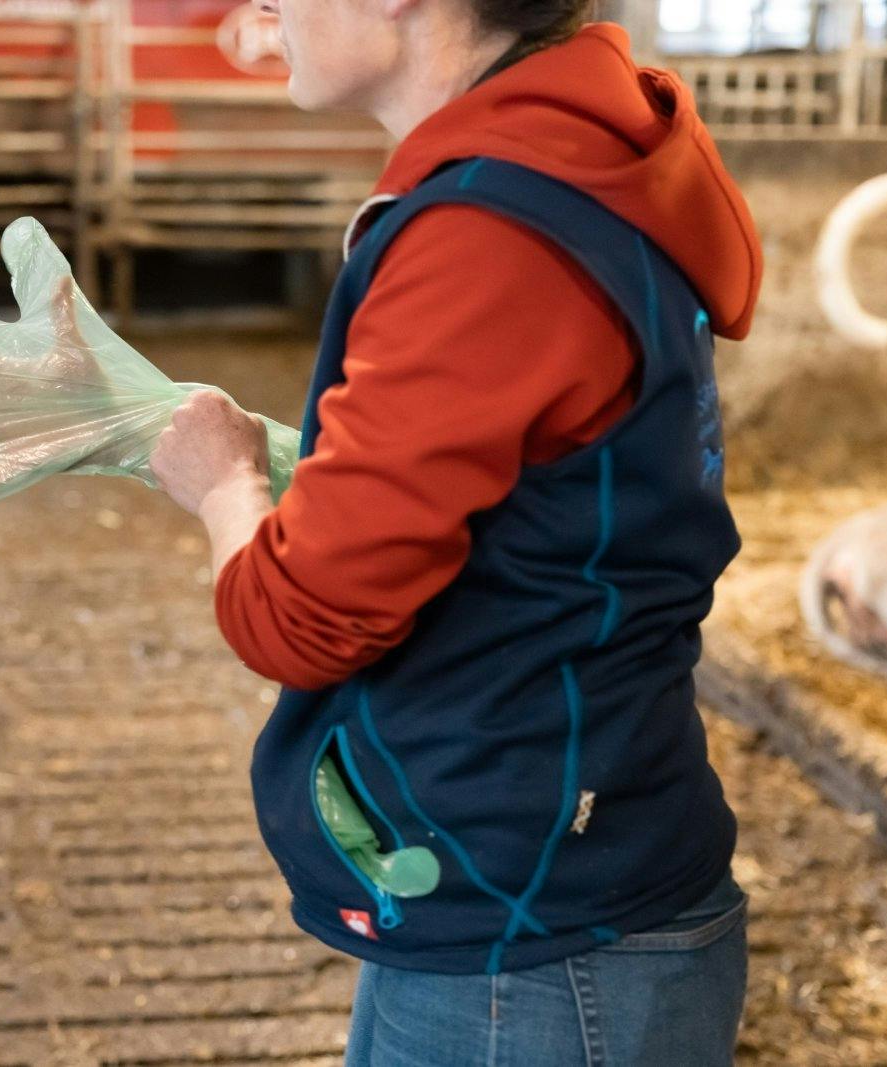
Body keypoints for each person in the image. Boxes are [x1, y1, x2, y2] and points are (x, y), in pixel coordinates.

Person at [149, 0, 764, 1063]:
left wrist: (223, 484)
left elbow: (298, 616)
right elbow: (531, 485)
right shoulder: (582, 160)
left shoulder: (488, 231)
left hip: (531, 935)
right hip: (533, 876)